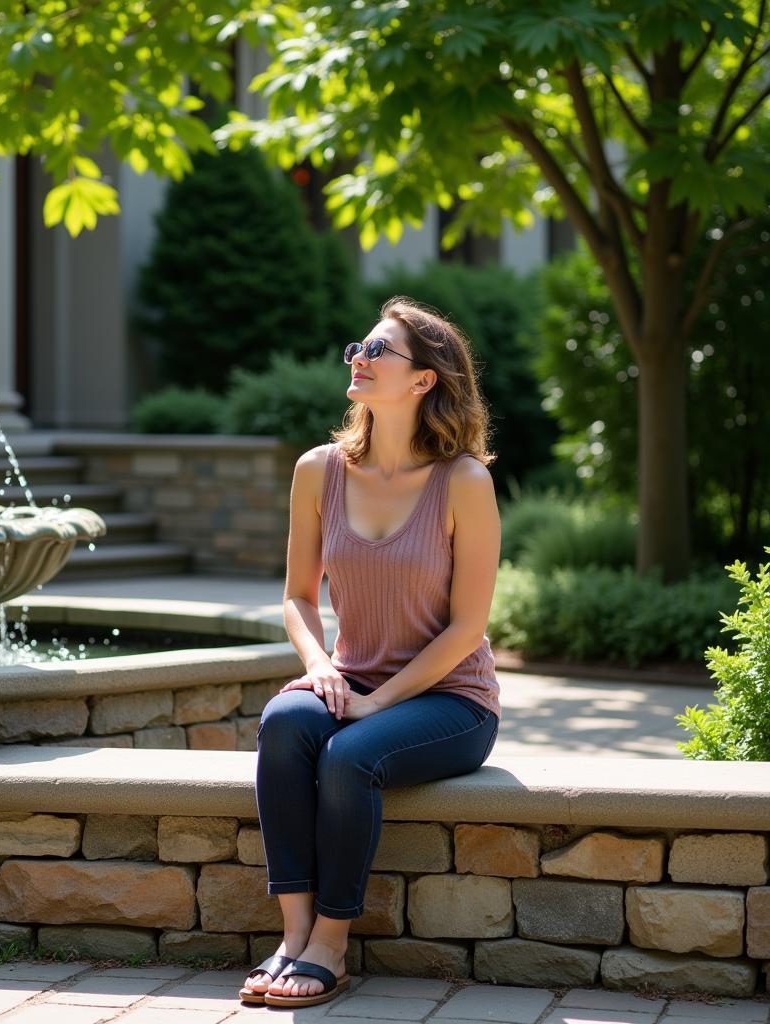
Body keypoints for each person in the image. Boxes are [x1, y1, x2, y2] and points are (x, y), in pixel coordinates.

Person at [238, 296, 502, 1009]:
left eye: (378, 350)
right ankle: (293, 936)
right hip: (347, 676)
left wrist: (377, 703)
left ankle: (331, 943)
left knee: (349, 755)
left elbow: (467, 628)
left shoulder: (464, 483)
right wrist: (320, 667)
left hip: (450, 698)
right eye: (359, 345)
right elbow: (296, 596)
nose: (359, 356)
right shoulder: (318, 470)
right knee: (286, 723)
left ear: (423, 381)